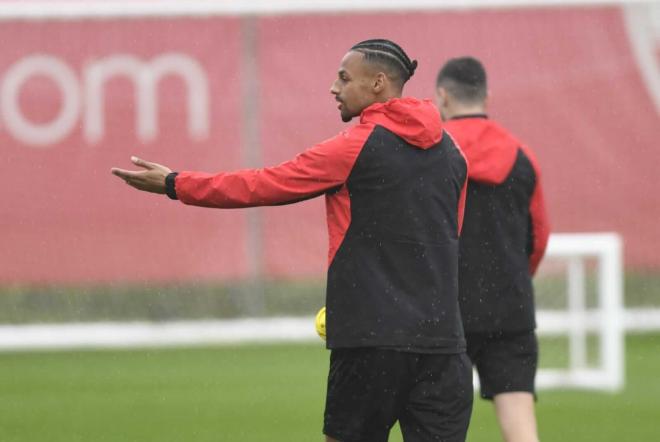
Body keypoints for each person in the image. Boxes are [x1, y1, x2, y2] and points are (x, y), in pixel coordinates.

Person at [112, 39, 473, 442]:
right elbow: (450, 235)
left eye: (343, 77)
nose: (333, 88)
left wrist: (175, 184)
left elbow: (263, 184)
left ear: (378, 83)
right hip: (443, 345)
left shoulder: (354, 147)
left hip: (371, 342)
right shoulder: (453, 151)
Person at [435, 57, 550, 442]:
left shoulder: (430, 155)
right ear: (487, 96)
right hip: (510, 308)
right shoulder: (522, 155)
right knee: (520, 426)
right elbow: (538, 236)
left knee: (440, 427)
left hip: (444, 311)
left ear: (442, 96)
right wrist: (511, 279)